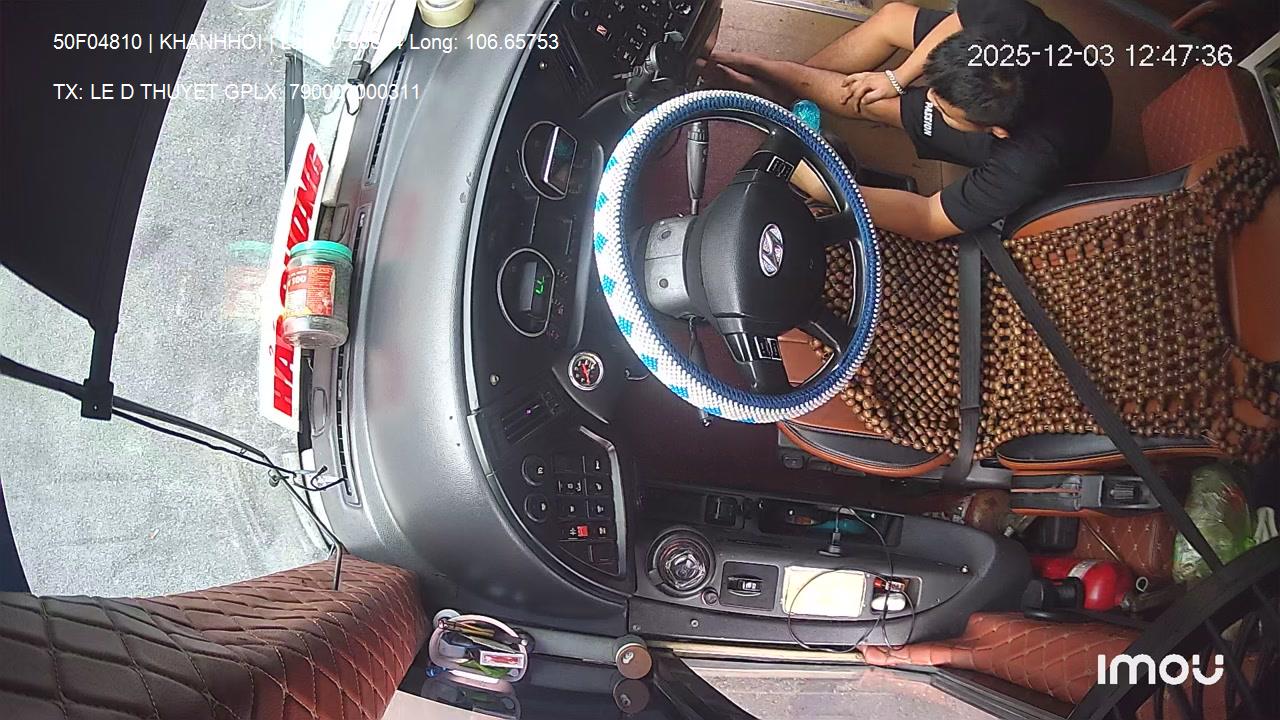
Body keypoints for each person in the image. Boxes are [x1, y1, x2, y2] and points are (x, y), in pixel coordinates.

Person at [708, 0, 1113, 241]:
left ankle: (777, 86)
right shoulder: (1012, 22)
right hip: (1054, 86)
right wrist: (897, 77)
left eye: (943, 107)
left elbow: (927, 218)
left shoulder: (1027, 163)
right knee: (892, 19)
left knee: (872, 102)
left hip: (1070, 127)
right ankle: (777, 80)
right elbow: (960, 22)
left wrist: (831, 189)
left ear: (997, 131)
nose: (928, 95)